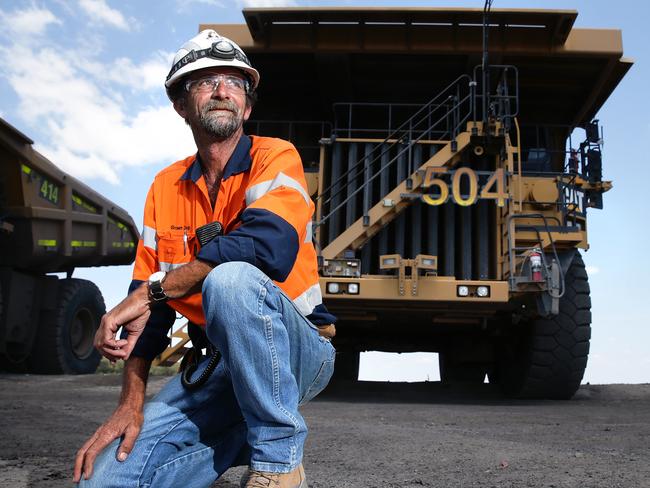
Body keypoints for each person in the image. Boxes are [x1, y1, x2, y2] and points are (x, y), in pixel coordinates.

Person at [73, 29, 336, 488]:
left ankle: (278, 465)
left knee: (230, 280)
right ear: (181, 105)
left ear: (247, 106)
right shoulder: (165, 185)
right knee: (103, 479)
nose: (221, 90)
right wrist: (130, 402)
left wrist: (159, 289)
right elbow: (145, 310)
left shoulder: (276, 156)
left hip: (299, 350)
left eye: (234, 82)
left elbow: (266, 247)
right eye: (205, 81)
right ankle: (237, 437)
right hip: (219, 364)